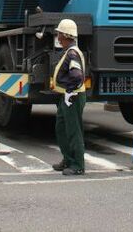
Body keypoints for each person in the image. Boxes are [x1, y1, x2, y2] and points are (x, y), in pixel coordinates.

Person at [51, 19, 86, 176]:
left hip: (73, 96)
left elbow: (77, 75)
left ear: (65, 35)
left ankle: (77, 165)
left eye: (59, 34)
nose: (58, 37)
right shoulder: (70, 52)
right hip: (68, 96)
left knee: (73, 130)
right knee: (61, 128)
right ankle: (68, 159)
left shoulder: (72, 53)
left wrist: (69, 90)